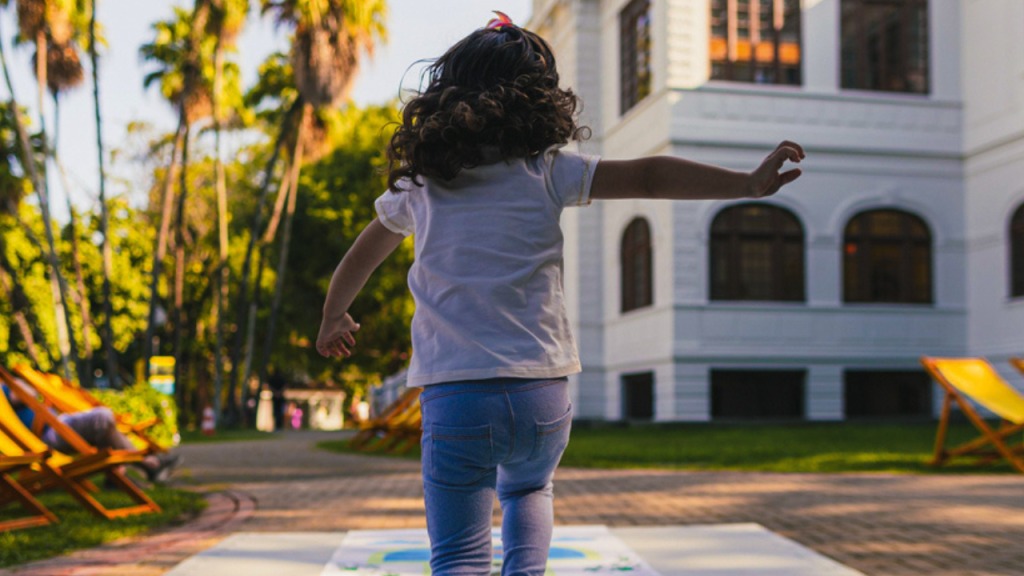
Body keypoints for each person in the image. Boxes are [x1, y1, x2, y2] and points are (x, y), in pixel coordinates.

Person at [315, 12, 804, 575]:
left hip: (457, 396)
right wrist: (744, 184)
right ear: (540, 102)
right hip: (542, 395)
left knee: (459, 556)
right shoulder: (548, 172)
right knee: (528, 493)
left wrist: (334, 315)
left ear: (446, 96)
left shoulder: (422, 188)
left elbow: (363, 253)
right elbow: (649, 176)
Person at [2, 380, 183, 484]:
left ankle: (121, 475)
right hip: (49, 434)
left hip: (59, 424)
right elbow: (25, 392)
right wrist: (16, 383)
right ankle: (145, 466)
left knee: (104, 428)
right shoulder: (3, 390)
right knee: (102, 418)